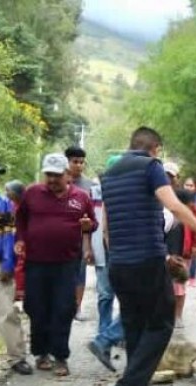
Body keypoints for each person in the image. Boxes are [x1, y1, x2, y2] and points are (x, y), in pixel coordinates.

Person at [101, 126, 196, 386]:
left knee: (135, 327)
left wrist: (114, 252)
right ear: (154, 148)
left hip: (119, 262)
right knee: (161, 323)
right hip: (146, 259)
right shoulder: (150, 166)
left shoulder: (110, 173)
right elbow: (175, 207)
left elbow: (106, 226)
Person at [15, 153, 97, 377]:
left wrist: (89, 226)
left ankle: (61, 356)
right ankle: (41, 353)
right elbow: (20, 218)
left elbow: (92, 223)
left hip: (66, 263)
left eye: (56, 175)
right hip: (36, 262)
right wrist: (21, 239)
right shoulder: (32, 193)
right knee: (36, 307)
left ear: (67, 175)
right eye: (48, 175)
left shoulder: (80, 197)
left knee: (63, 309)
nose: (51, 180)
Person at [0, 160, 31, 375]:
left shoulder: (1, 203)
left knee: (8, 314)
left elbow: (7, 237)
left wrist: (7, 264)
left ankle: (17, 357)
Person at [87, 156, 125, 372]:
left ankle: (105, 340)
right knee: (106, 295)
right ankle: (104, 341)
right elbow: (104, 229)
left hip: (118, 253)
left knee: (122, 297)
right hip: (110, 253)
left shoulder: (121, 189)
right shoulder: (99, 190)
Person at [65, 146, 96, 322]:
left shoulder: (90, 185)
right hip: (60, 237)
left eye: (81, 162)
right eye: (75, 161)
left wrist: (91, 241)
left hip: (82, 236)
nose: (79, 165)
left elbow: (94, 215)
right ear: (67, 162)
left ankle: (77, 308)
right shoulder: (58, 182)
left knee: (80, 272)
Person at [166, 189, 196, 328]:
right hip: (167, 254)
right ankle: (166, 315)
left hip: (183, 254)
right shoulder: (166, 212)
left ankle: (178, 315)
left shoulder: (191, 213)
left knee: (179, 287)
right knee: (165, 287)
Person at [4, 180, 26, 302]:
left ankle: (20, 293)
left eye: (8, 191)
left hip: (22, 240)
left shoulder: (25, 206)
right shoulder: (10, 205)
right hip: (12, 239)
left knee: (21, 265)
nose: (6, 193)